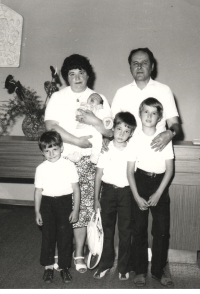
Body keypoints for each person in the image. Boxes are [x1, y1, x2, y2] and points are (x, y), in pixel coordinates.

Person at [44, 54, 112, 274]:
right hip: (62, 160)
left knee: (82, 209)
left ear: (88, 74)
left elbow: (109, 130)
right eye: (72, 74)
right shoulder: (57, 97)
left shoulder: (99, 97)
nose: (77, 77)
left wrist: (94, 120)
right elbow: (50, 126)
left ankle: (79, 252)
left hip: (89, 163)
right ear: (66, 77)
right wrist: (76, 141)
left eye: (81, 72)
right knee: (60, 208)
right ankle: (60, 250)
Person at [127, 98, 174, 287]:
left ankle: (158, 270)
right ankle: (139, 270)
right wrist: (137, 196)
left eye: (153, 113)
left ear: (159, 117)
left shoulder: (164, 138)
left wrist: (158, 193)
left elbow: (170, 169)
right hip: (140, 182)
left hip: (160, 185)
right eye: (145, 112)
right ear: (140, 114)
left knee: (161, 231)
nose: (149, 116)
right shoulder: (135, 139)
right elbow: (129, 171)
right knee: (138, 229)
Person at [93, 112, 136, 281]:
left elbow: (133, 173)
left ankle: (123, 267)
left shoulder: (132, 150)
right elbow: (98, 175)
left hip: (126, 193)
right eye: (119, 129)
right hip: (108, 193)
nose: (121, 134)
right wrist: (96, 199)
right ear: (113, 129)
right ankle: (105, 264)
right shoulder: (106, 148)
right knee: (107, 230)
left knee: (125, 231)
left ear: (131, 133)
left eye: (126, 131)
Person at [111, 47, 181, 151]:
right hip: (127, 152)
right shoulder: (121, 93)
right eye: (135, 63)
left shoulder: (164, 90)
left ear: (152, 66)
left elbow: (175, 124)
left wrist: (170, 133)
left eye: (144, 63)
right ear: (130, 67)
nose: (139, 67)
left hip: (156, 150)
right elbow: (112, 126)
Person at [34, 130, 80, 284]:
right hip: (47, 204)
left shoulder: (69, 165)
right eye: (47, 150)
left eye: (54, 149)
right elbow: (38, 191)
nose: (51, 153)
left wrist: (75, 209)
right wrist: (37, 211)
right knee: (48, 236)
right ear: (42, 152)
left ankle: (64, 267)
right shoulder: (41, 168)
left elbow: (76, 189)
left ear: (62, 148)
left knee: (65, 237)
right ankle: (48, 267)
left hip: (64, 203)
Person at [67, 92, 113, 164]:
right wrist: (79, 110)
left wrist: (107, 122)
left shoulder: (99, 110)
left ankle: (95, 155)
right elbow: (76, 113)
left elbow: (106, 117)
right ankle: (77, 154)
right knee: (74, 135)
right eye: (91, 97)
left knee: (98, 140)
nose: (93, 97)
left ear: (99, 104)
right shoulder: (83, 107)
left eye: (96, 99)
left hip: (94, 130)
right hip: (81, 129)